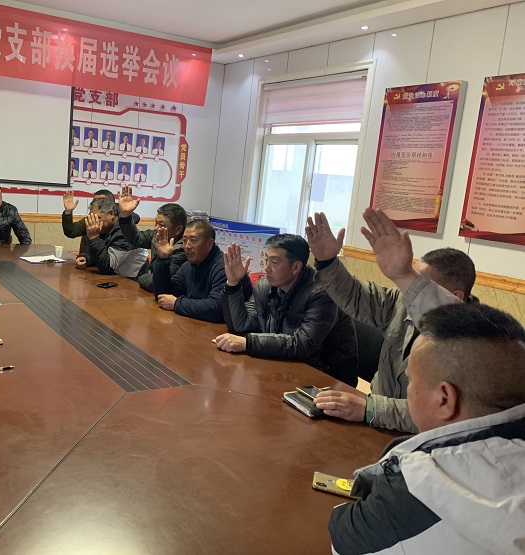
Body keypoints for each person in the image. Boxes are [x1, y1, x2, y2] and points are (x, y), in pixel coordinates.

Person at [328, 302, 525, 555]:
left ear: (444, 399)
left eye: (410, 380)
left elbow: (342, 538)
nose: (408, 388)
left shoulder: (415, 489)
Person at [306, 208, 476, 432]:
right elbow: (355, 296)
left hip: (418, 439)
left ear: (456, 297)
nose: (410, 289)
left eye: (420, 283)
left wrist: (371, 409)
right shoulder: (400, 301)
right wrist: (328, 263)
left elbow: (442, 417)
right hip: (374, 422)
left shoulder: (475, 345)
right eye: (411, 278)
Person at [216, 236, 358, 386]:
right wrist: (233, 283)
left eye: (274, 262)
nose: (266, 268)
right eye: (266, 260)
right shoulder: (265, 286)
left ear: (296, 267)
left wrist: (249, 343)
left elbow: (303, 344)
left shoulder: (322, 294)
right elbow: (241, 324)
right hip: (284, 367)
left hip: (327, 378)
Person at [152, 219, 252, 323]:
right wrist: (162, 259)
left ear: (209, 244)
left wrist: (177, 303)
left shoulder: (224, 267)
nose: (187, 246)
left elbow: (217, 309)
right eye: (185, 240)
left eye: (193, 240)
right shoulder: (188, 266)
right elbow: (164, 296)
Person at [118, 185, 187, 292]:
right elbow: (135, 238)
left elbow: (155, 282)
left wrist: (141, 277)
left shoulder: (183, 249)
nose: (156, 228)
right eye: (156, 222)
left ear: (178, 229)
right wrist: (125, 216)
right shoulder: (157, 235)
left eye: (161, 224)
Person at [75, 197, 148, 278]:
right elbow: (102, 253)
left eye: (98, 218)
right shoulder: (107, 228)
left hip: (132, 281)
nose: (95, 222)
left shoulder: (124, 233)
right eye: (92, 218)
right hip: (116, 278)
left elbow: (106, 267)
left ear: (111, 214)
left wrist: (94, 237)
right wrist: (86, 259)